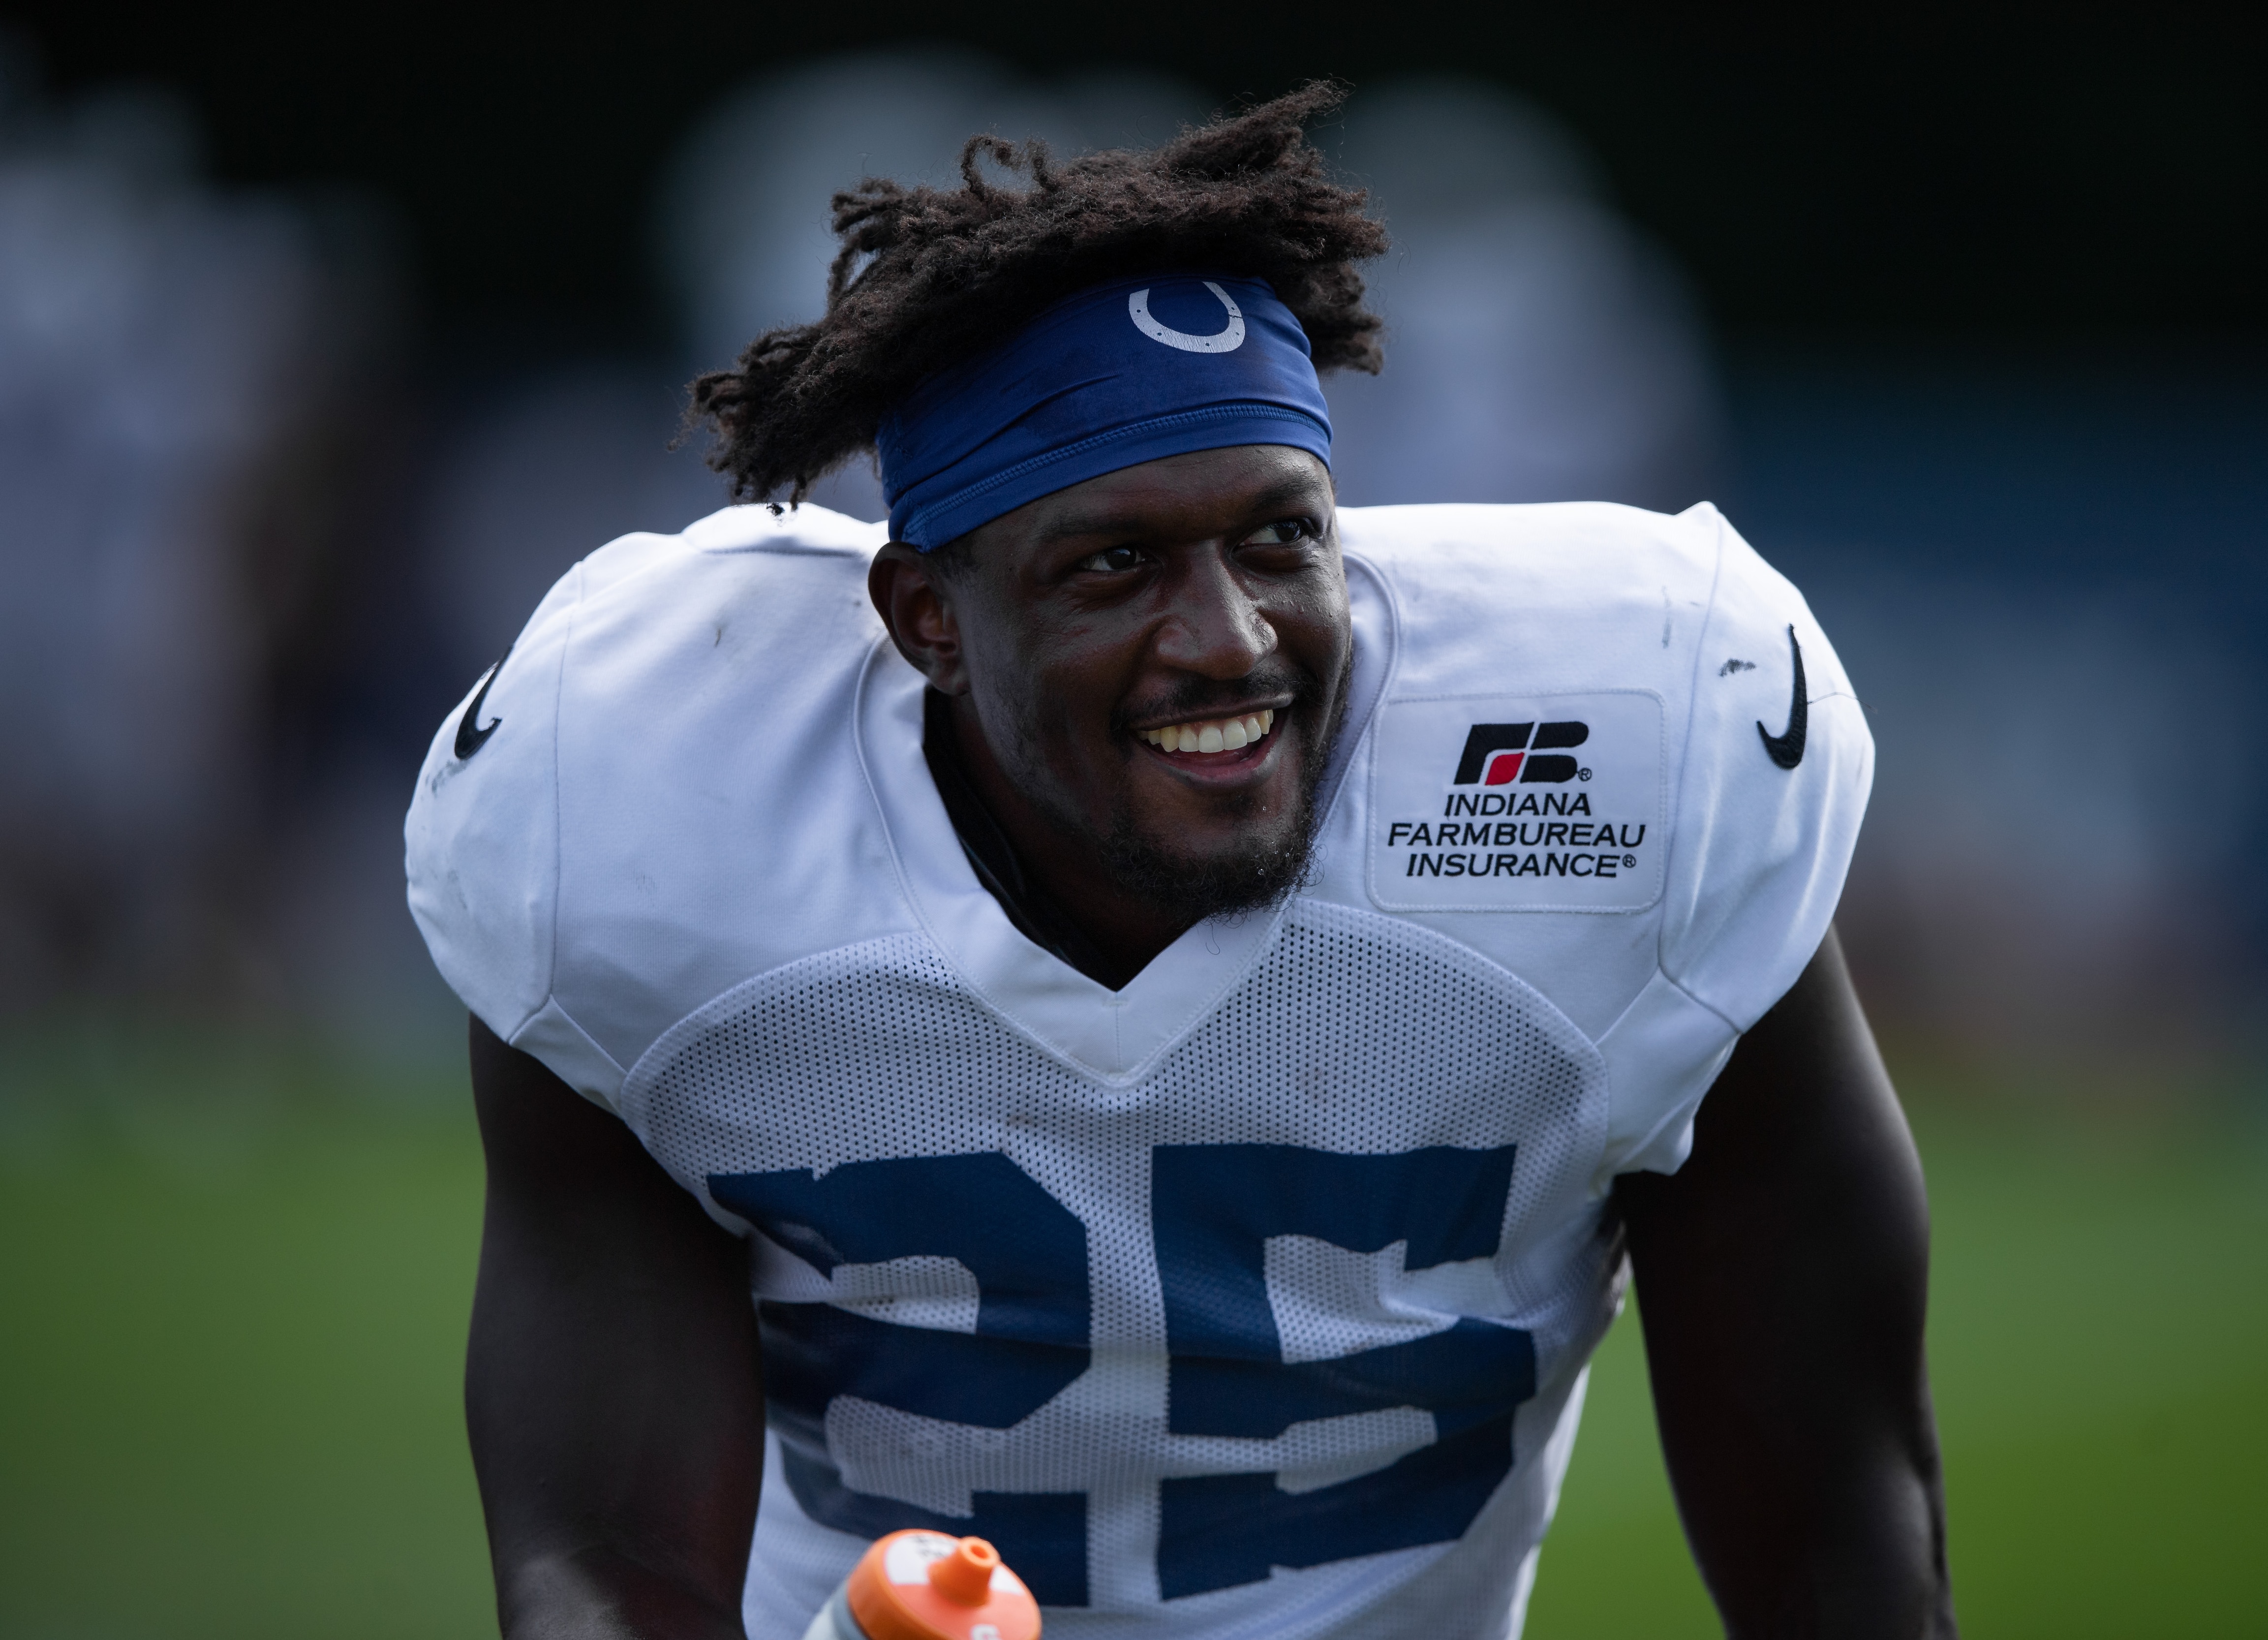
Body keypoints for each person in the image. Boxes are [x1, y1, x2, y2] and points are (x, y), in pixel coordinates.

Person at [406, 83, 1954, 1640]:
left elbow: (1843, 1534)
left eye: (1281, 540)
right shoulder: (636, 796)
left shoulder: (1639, 750)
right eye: (1116, 563)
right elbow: (606, 1557)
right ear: (926, 620)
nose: (1227, 640)